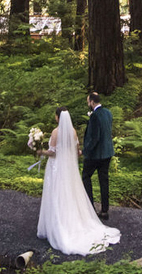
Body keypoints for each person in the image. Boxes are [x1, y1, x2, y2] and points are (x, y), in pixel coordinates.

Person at [36, 108, 122, 255]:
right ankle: (74, 222)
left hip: (57, 168)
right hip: (70, 168)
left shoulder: (55, 132)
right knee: (72, 194)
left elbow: (53, 152)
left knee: (57, 195)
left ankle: (58, 226)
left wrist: (40, 151)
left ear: (57, 117)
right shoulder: (73, 131)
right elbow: (77, 151)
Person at [82, 92, 114, 220]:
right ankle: (105, 210)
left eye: (88, 102)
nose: (88, 104)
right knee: (104, 181)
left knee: (85, 176)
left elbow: (95, 137)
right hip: (108, 152)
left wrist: (85, 151)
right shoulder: (108, 113)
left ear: (92, 102)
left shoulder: (95, 116)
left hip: (96, 154)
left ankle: (91, 208)